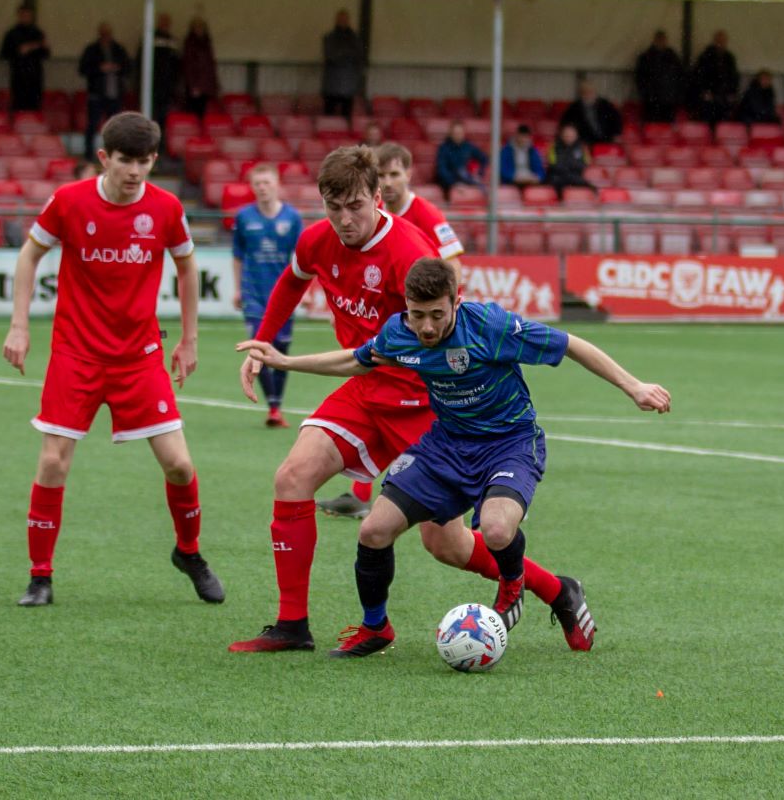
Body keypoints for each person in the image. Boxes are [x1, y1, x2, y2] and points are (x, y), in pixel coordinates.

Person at [227, 146, 588, 655]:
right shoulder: (316, 241)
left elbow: (446, 320)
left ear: (377, 198)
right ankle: (293, 625)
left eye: (356, 206)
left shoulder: (408, 251)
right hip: (363, 390)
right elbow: (291, 281)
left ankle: (556, 589)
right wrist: (264, 345)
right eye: (335, 208)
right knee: (292, 477)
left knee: (447, 544)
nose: (345, 219)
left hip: (422, 405)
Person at [240, 257, 670, 657]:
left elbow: (571, 343)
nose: (425, 327)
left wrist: (633, 386)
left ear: (456, 302)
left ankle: (513, 582)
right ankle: (376, 628)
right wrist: (284, 360)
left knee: (499, 530)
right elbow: (357, 361)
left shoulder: (490, 326)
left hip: (510, 443)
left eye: (436, 315)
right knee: (373, 531)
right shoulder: (400, 330)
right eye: (417, 314)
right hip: (446, 446)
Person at [2, 112, 223, 608]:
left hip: (138, 358)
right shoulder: (69, 201)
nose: (135, 171)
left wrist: (189, 340)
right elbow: (28, 257)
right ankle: (41, 576)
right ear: (105, 158)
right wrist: (19, 325)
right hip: (76, 354)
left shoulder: (165, 208)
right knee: (54, 461)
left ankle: (188, 552)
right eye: (126, 161)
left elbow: (187, 270)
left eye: (144, 162)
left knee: (181, 466)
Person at [316, 140, 465, 520]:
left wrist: (440, 312)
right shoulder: (363, 215)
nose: (390, 181)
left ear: (407, 175)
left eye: (396, 173)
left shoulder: (424, 215)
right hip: (381, 352)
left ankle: (490, 486)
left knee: (443, 522)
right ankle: (359, 492)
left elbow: (451, 266)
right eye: (383, 174)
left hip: (423, 329)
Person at [232, 164, 303, 428]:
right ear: (252, 187)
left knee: (281, 348)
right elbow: (238, 255)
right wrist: (237, 288)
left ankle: (277, 403)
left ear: (277, 184)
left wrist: (304, 292)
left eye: (267, 183)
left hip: (283, 294)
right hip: (253, 292)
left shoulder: (292, 218)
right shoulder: (244, 217)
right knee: (258, 347)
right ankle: (273, 407)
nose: (262, 187)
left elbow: (300, 257)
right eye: (258, 183)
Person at [79, 23, 132, 161]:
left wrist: (117, 68)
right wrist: (99, 68)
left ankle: (113, 154)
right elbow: (83, 69)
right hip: (96, 94)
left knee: (115, 128)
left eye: (108, 34)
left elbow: (128, 68)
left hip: (115, 94)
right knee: (92, 124)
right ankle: (88, 154)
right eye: (103, 34)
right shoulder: (92, 49)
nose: (106, 37)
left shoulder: (119, 49)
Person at [0, 5, 50, 112]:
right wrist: (18, 51)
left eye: (28, 15)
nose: (26, 18)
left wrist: (41, 47)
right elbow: (4, 54)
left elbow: (46, 55)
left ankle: (33, 125)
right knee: (19, 104)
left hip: (35, 76)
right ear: (19, 16)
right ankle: (18, 125)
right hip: (19, 75)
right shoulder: (11, 34)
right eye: (23, 15)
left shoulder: (38, 33)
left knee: (35, 105)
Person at [138, 12, 180, 141]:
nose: (165, 25)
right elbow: (141, 61)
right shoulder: (150, 38)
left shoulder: (172, 41)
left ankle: (160, 144)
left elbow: (177, 64)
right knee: (151, 116)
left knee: (163, 117)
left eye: (167, 23)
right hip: (152, 85)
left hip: (167, 87)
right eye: (163, 22)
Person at [690, 30, 740, 128]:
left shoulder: (729, 58)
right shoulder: (705, 56)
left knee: (723, 123)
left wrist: (732, 92)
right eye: (719, 41)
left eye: (723, 41)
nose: (721, 43)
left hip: (724, 97)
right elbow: (699, 76)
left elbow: (734, 77)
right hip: (709, 97)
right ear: (714, 41)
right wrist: (705, 91)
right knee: (707, 122)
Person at [635, 29, 685, 124]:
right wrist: (646, 94)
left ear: (666, 41)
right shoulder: (645, 58)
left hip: (669, 101)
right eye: (659, 39)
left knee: (667, 129)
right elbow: (640, 79)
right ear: (654, 40)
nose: (661, 42)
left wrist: (677, 96)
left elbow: (680, 77)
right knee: (652, 127)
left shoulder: (673, 58)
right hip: (651, 101)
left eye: (663, 40)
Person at [321, 10, 364, 119]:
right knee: (329, 117)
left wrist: (342, 53)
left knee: (346, 117)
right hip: (332, 85)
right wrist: (347, 53)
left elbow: (359, 55)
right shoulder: (329, 37)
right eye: (340, 19)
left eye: (345, 19)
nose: (343, 21)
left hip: (348, 85)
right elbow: (331, 56)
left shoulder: (355, 38)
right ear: (336, 20)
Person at [559, 81, 623, 145]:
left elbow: (616, 119)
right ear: (581, 94)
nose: (588, 95)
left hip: (606, 139)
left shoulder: (605, 104)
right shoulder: (574, 108)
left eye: (590, 92)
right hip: (585, 142)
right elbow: (567, 124)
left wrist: (616, 134)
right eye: (585, 92)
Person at [182, 18, 219, 121]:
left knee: (203, 112)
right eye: (197, 27)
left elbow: (210, 65)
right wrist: (193, 84)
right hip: (195, 86)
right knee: (193, 112)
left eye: (201, 27)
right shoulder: (190, 43)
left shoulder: (207, 43)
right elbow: (189, 65)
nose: (200, 30)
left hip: (206, 85)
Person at [435, 120, 488, 191]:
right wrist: (454, 183)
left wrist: (479, 173)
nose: (458, 135)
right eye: (455, 133)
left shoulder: (468, 146)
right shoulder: (444, 148)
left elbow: (484, 158)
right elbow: (442, 170)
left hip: (466, 179)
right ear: (450, 133)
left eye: (460, 133)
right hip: (448, 184)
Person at [546, 124, 593, 197]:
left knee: (590, 187)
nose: (569, 136)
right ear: (562, 135)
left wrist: (567, 165)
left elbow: (585, 164)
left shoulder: (582, 148)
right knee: (553, 183)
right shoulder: (554, 146)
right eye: (567, 134)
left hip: (576, 177)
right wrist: (571, 165)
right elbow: (553, 164)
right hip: (558, 177)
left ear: (576, 135)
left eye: (571, 134)